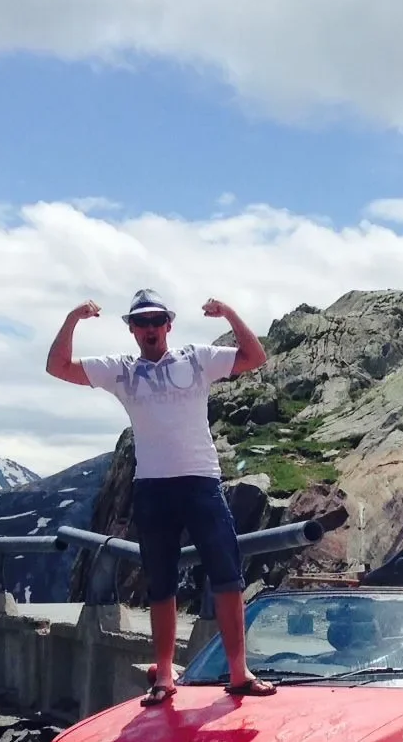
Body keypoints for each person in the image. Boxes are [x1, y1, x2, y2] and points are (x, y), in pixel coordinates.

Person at [46, 288, 274, 704]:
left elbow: (255, 357)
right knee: (162, 586)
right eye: (141, 322)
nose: (150, 328)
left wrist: (230, 314)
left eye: (156, 321)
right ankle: (164, 676)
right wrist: (73, 318)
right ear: (132, 329)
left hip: (202, 481)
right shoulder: (120, 370)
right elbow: (57, 366)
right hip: (152, 487)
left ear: (169, 324)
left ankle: (239, 672)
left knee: (227, 577)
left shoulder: (196, 358)